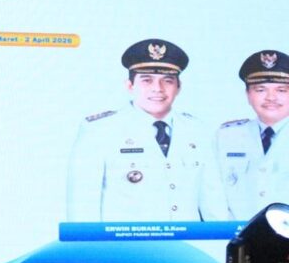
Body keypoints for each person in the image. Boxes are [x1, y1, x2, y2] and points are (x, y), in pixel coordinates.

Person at [66, 39, 209, 222]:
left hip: (189, 240)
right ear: (130, 85)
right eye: (147, 80)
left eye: (167, 81)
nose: (158, 89)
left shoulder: (197, 130)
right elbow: (82, 207)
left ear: (178, 87)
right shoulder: (100, 130)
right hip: (126, 241)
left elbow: (213, 201)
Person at [202, 50, 289, 220]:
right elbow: (212, 194)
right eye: (260, 90)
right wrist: (227, 232)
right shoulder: (226, 137)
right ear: (248, 95)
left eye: (281, 90)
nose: (271, 98)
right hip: (236, 233)